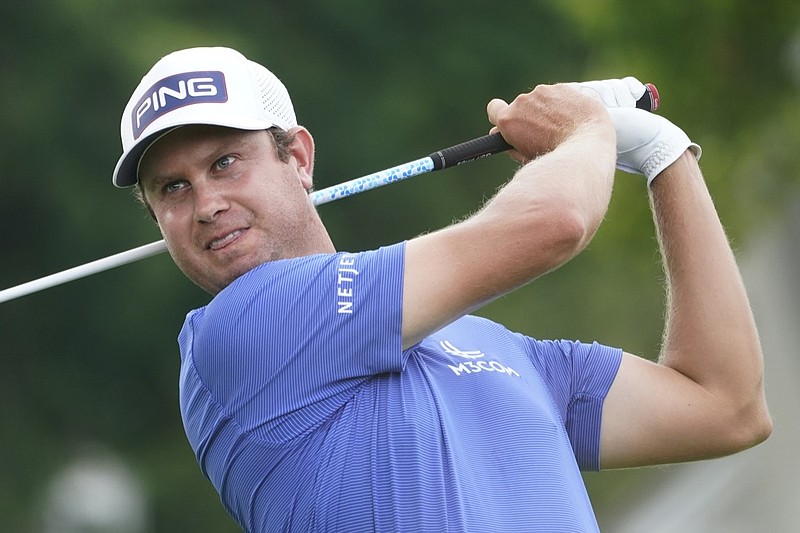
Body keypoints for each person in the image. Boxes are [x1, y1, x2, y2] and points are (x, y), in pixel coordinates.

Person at [112, 47, 771, 532]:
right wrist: (589, 130)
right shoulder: (237, 333)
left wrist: (663, 153)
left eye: (225, 161)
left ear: (298, 158)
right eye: (172, 187)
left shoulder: (492, 347)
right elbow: (556, 222)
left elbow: (724, 404)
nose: (205, 203)